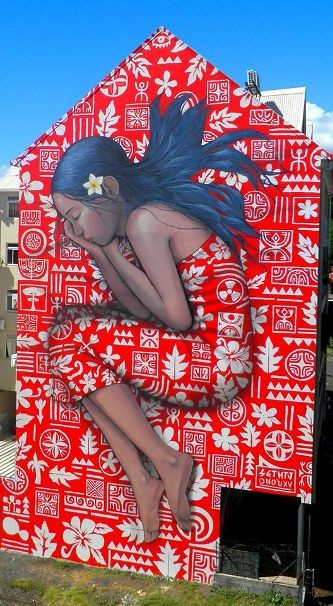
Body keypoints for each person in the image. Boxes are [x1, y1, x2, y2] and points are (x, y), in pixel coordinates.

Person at [48, 94, 267, 542]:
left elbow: (176, 318)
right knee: (73, 357)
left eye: (75, 215)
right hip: (207, 358)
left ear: (108, 190)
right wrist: (101, 250)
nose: (75, 230)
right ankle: (145, 476)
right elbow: (140, 310)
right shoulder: (139, 223)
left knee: (69, 339)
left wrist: (111, 251)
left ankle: (163, 462)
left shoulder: (146, 221)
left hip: (216, 363)